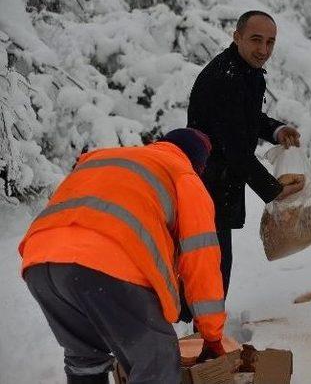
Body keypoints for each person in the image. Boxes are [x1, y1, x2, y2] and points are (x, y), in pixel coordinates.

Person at [19, 128, 226, 384]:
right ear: (198, 164)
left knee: (85, 357)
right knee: (156, 362)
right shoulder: (184, 175)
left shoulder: (106, 157)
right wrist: (212, 334)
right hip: (105, 264)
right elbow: (201, 259)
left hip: (39, 260)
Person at [188, 10, 303, 298]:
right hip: (205, 184)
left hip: (218, 182)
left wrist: (276, 129)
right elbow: (235, 148)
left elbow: (245, 119)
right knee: (211, 266)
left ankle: (205, 331)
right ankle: (204, 336)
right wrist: (273, 189)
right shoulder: (226, 77)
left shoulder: (244, 71)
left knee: (213, 264)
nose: (263, 50)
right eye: (255, 40)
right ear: (236, 37)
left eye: (270, 42)